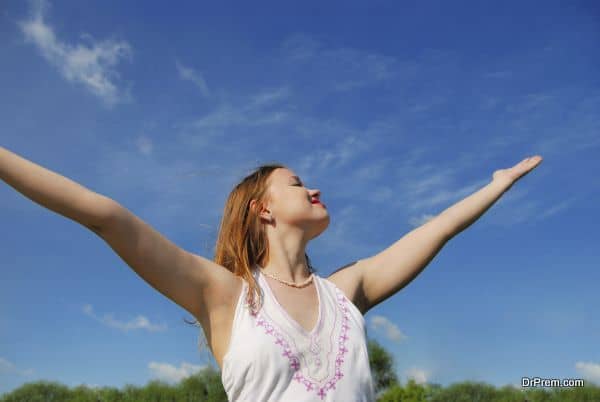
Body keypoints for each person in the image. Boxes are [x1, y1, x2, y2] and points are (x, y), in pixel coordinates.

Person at [0, 146, 543, 401]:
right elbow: (105, 216)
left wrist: (496, 184)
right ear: (262, 208)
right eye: (297, 182)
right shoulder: (221, 293)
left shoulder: (347, 291)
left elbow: (438, 230)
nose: (315, 189)